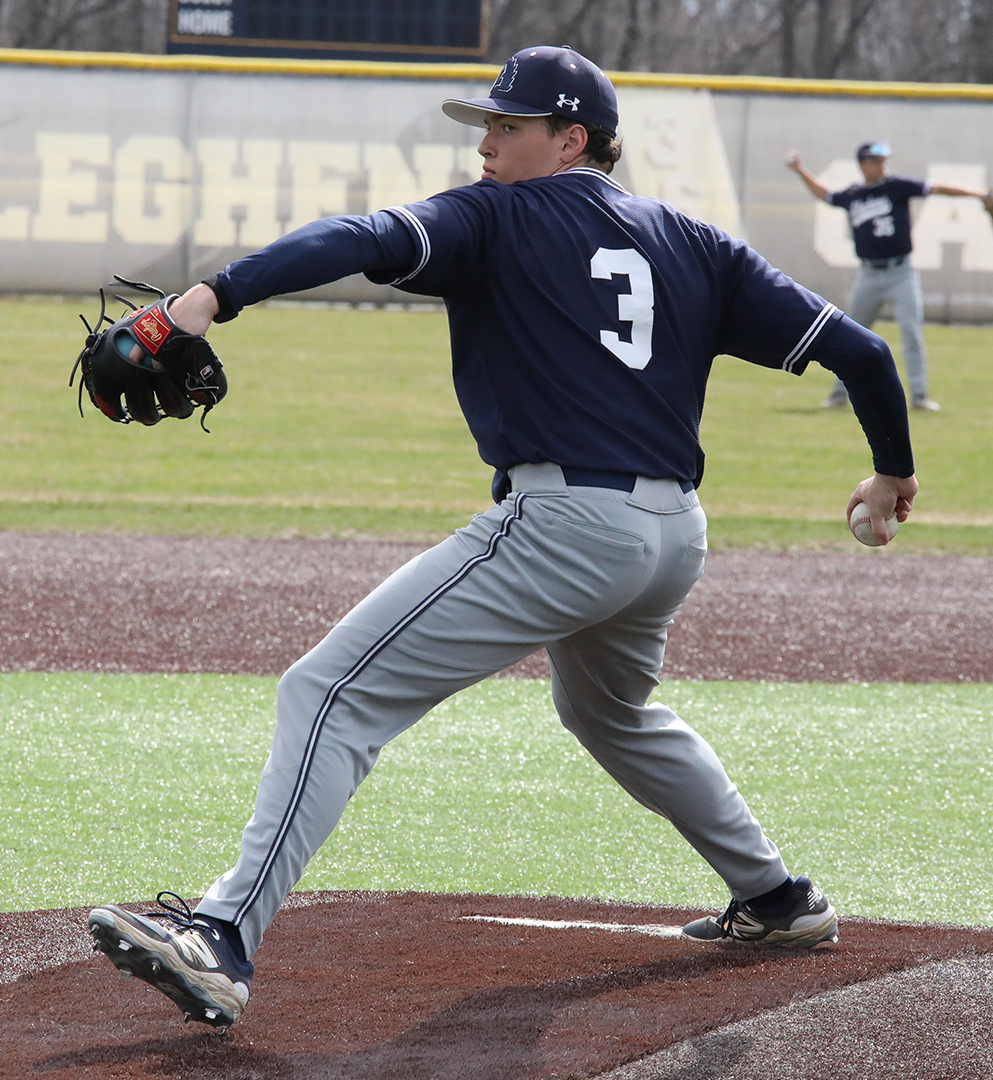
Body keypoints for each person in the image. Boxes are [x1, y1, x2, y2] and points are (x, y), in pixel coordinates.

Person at [86, 46, 919, 1033]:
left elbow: (356, 238)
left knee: (331, 691)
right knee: (612, 714)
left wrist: (207, 298)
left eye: (507, 126)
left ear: (573, 140)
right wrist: (893, 471)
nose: (485, 143)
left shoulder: (493, 218)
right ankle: (779, 900)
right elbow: (861, 353)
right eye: (484, 124)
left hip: (566, 526)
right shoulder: (696, 242)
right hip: (672, 538)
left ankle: (220, 938)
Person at [784, 141, 993, 412]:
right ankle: (839, 393)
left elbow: (939, 188)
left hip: (901, 274)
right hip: (869, 276)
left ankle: (920, 396)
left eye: (883, 160)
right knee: (848, 334)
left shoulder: (896, 186)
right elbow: (825, 195)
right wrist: (800, 171)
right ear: (863, 164)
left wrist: (979, 194)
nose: (881, 165)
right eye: (875, 161)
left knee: (911, 332)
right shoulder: (854, 195)